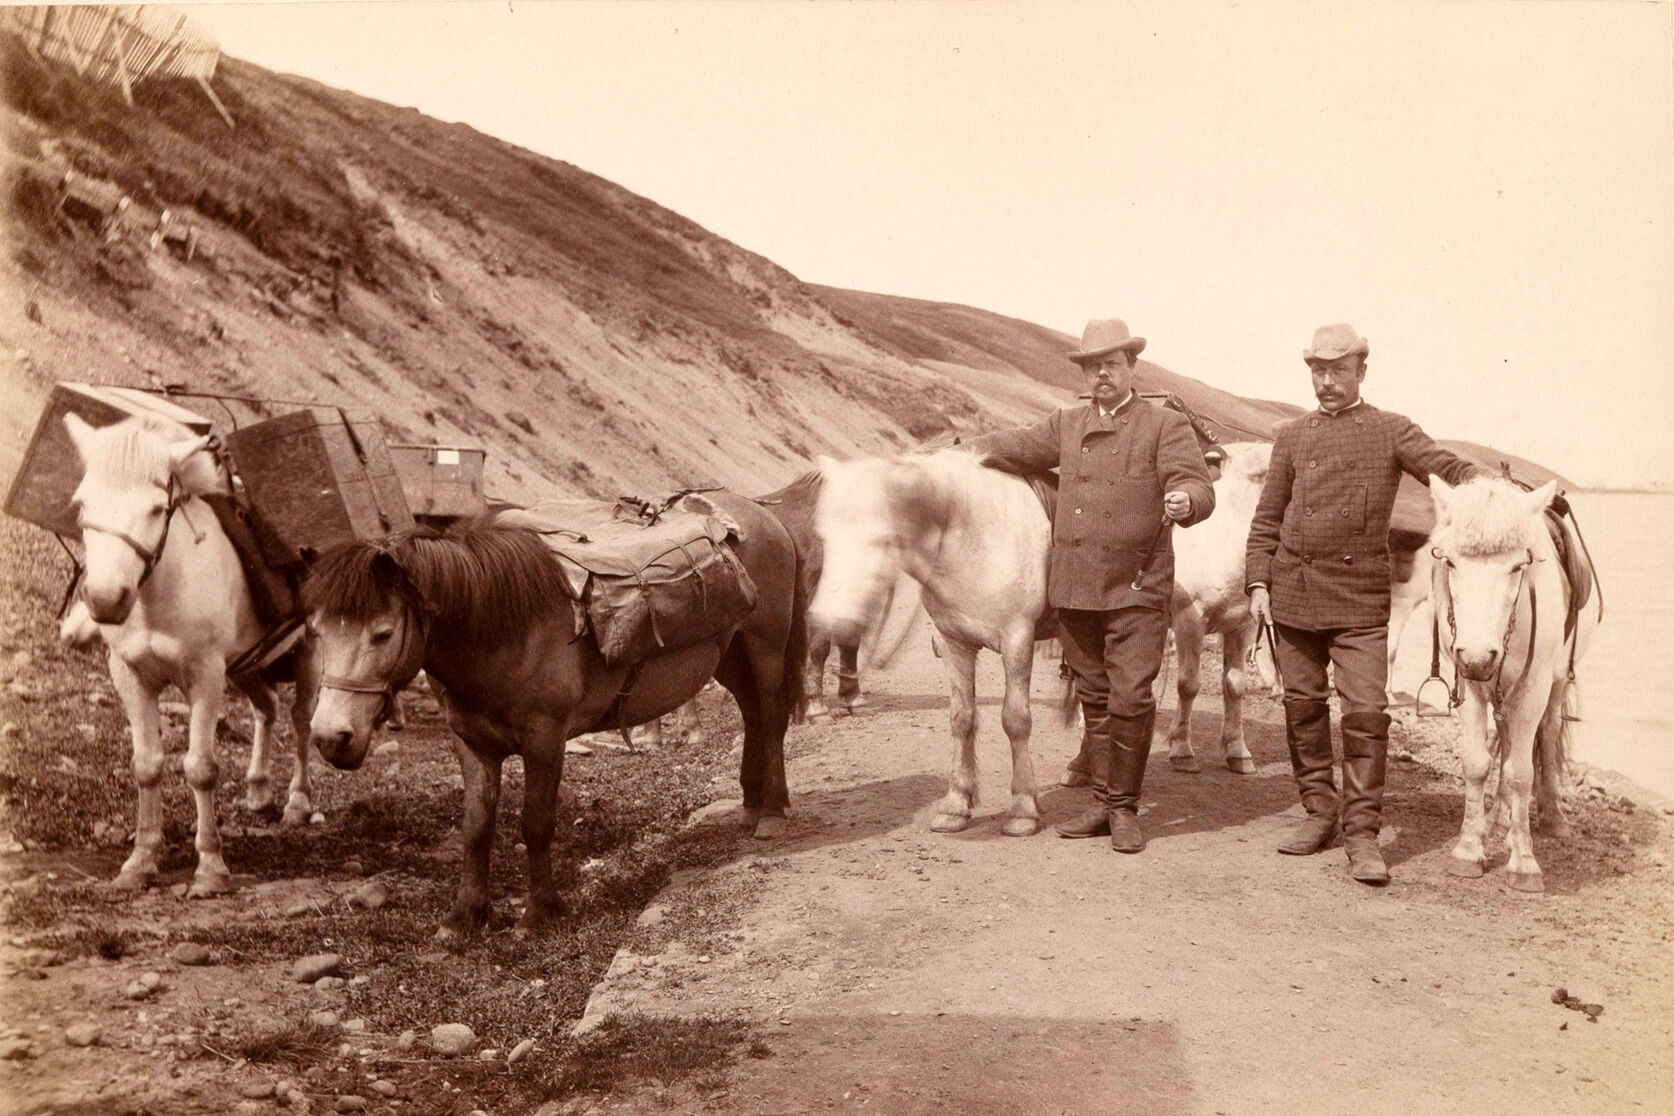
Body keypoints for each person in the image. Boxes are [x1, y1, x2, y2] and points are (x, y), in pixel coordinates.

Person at [1246, 323, 1483, 884]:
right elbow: (1266, 520)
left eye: (1337, 371)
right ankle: (1319, 813)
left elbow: (1444, 466)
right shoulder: (1293, 436)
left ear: (1361, 372)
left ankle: (1363, 834)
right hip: (1295, 594)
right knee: (1302, 707)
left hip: (1357, 601)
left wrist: (1484, 487)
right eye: (1317, 371)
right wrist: (1258, 584)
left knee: (1366, 713)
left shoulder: (1390, 430)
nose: (1325, 382)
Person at [968, 319, 1215, 853]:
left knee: (1130, 695)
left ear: (1132, 368)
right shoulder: (1066, 423)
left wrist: (1187, 500)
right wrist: (952, 453)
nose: (1101, 373)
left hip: (1138, 587)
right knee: (1096, 697)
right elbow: (1007, 447)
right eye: (1091, 366)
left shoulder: (1164, 424)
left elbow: (1197, 483)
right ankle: (1102, 802)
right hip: (1076, 591)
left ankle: (1124, 809)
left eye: (1111, 364)